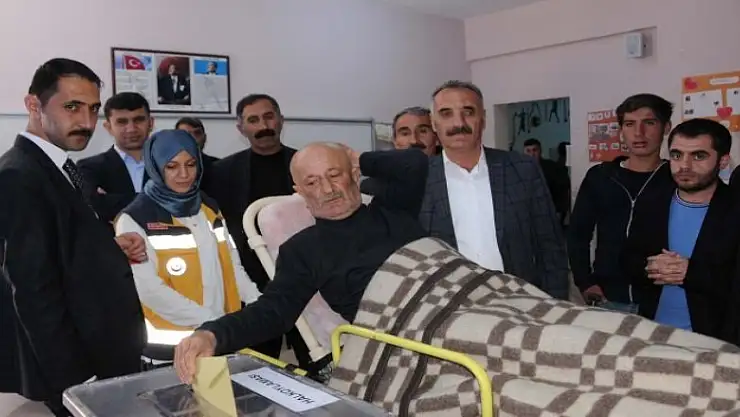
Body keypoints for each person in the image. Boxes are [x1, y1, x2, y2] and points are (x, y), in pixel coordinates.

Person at [173, 144, 429, 383]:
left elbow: (414, 163)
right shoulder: (303, 250)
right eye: (312, 182)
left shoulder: (394, 207)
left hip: (446, 293)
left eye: (334, 175)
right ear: (300, 191)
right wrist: (212, 334)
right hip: (409, 335)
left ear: (354, 175)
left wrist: (358, 159)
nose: (327, 189)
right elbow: (272, 311)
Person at [0, 58, 146, 416]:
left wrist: (106, 248)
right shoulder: (19, 176)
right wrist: (77, 382)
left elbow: (57, 245)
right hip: (80, 368)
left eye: (93, 109)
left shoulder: (57, 166)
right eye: (72, 107)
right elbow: (33, 292)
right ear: (33, 105)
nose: (87, 122)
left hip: (102, 350)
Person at [114, 129, 261, 360]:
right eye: (172, 166)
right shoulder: (135, 218)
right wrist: (212, 320)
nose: (184, 174)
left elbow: (232, 266)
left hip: (217, 341)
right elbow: (148, 290)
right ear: (156, 167)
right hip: (169, 352)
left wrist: (259, 305)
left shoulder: (209, 208)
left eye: (191, 164)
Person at [419, 80, 569, 300]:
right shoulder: (419, 179)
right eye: (446, 113)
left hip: (520, 301)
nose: (458, 123)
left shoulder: (522, 169)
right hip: (448, 306)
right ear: (434, 123)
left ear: (483, 119)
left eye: (468, 112)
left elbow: (550, 245)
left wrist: (555, 304)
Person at [624, 118, 739, 341]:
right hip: (653, 335)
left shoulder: (734, 208)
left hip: (717, 341)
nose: (684, 165)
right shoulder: (652, 202)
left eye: (698, 156)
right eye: (677, 155)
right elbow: (628, 259)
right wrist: (650, 266)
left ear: (723, 161)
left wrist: (691, 273)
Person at [204, 93, 300, 361]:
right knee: (256, 361)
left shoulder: (305, 164)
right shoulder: (221, 172)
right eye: (253, 120)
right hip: (251, 279)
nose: (263, 126)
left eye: (269, 117)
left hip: (304, 274)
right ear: (241, 128)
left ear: (281, 120)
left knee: (316, 355)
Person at [568, 94, 675, 312]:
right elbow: (578, 234)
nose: (639, 133)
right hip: (608, 297)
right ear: (621, 130)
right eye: (629, 124)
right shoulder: (601, 176)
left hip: (663, 298)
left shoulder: (676, 178)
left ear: (666, 127)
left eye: (649, 122)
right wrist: (584, 281)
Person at [78, 92, 153, 223]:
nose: (131, 129)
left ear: (151, 123)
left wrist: (111, 200)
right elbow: (90, 207)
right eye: (122, 122)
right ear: (108, 127)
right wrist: (160, 200)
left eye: (138, 120)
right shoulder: (89, 168)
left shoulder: (170, 165)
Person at [361, 106, 438, 196]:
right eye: (405, 133)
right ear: (395, 141)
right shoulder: (372, 188)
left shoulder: (449, 179)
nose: (414, 140)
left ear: (437, 137)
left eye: (423, 131)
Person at [522, 138, 570, 226]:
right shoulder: (519, 171)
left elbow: (561, 192)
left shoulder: (552, 168)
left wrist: (559, 212)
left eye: (534, 150)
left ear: (540, 151)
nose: (532, 154)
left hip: (550, 212)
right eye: (528, 151)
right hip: (528, 215)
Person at [175, 117, 219, 185]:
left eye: (197, 133)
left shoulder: (218, 166)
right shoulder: (165, 168)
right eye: (186, 134)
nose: (193, 138)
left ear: (204, 138)